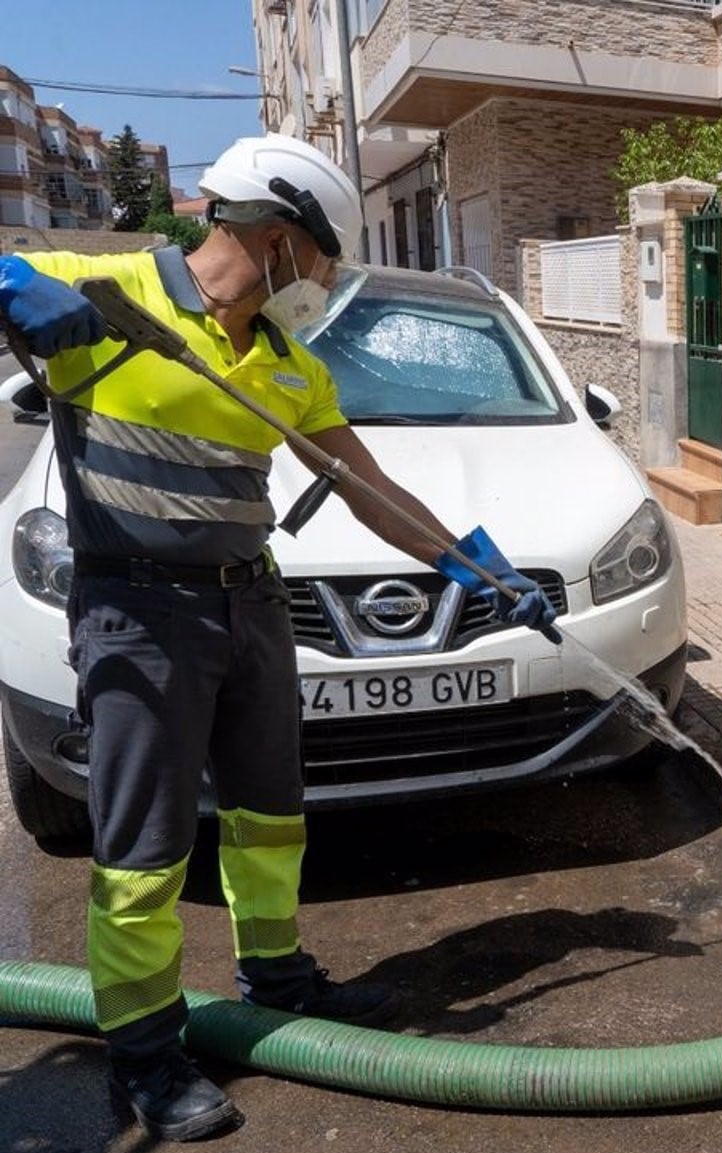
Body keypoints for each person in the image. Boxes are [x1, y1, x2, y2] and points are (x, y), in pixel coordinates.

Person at [0, 135, 558, 1142]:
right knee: (142, 852)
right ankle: (143, 1054)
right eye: (325, 258)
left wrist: (484, 571)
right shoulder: (113, 288)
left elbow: (374, 490)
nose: (327, 283)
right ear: (275, 235)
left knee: (269, 817)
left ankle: (279, 978)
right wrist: (13, 284)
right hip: (139, 610)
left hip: (250, 605)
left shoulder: (287, 366)